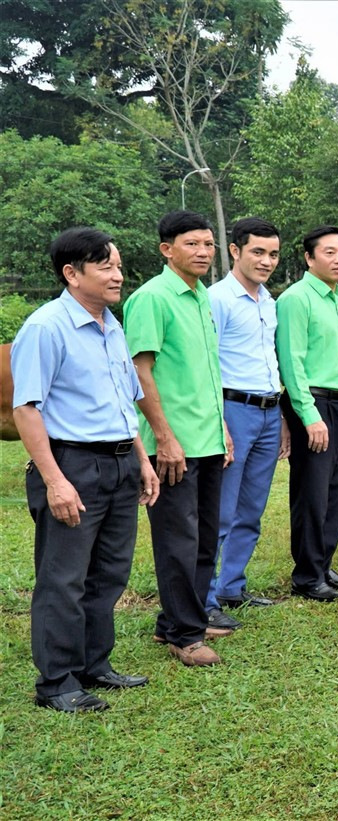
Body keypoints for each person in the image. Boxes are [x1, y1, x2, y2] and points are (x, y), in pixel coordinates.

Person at [12, 227, 159, 711]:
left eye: (118, 265)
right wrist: (55, 480)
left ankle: (95, 664)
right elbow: (27, 410)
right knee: (64, 577)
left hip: (119, 463)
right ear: (71, 274)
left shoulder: (110, 324)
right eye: (106, 267)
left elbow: (124, 401)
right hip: (72, 463)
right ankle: (57, 682)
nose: (118, 275)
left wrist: (142, 460)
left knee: (109, 573)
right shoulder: (45, 327)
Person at [125, 210, 231, 666]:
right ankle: (185, 636)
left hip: (207, 437)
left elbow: (205, 372)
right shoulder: (152, 298)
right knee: (177, 539)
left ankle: (178, 619)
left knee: (205, 537)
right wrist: (164, 437)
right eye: (192, 244)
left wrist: (222, 425)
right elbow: (139, 369)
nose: (203, 252)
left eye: (208, 244)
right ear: (166, 249)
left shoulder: (201, 296)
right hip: (172, 445)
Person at [277, 225, 338, 602]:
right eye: (329, 252)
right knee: (312, 494)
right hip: (312, 403)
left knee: (337, 492)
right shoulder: (296, 299)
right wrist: (308, 414)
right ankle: (305, 575)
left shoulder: (337, 300)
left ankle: (322, 565)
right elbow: (292, 361)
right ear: (309, 257)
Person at [206, 218, 289, 631]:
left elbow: (271, 360)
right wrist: (218, 420)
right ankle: (203, 599)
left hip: (269, 411)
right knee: (222, 509)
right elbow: (208, 363)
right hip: (233, 409)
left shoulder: (268, 300)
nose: (267, 261)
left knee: (251, 508)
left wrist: (283, 416)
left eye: (273, 254)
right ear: (235, 251)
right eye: (258, 252)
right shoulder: (216, 299)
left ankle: (231, 586)